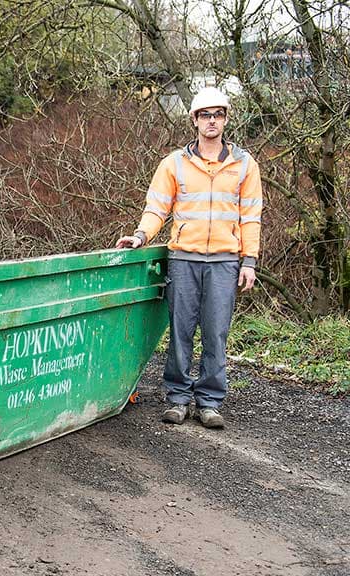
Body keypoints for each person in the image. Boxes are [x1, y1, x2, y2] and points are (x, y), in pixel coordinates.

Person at [116, 87, 263, 429]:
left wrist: (249, 260)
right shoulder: (175, 163)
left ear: (225, 120)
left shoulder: (243, 164)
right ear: (195, 120)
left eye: (218, 115)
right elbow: (157, 208)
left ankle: (210, 402)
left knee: (216, 333)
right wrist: (140, 236)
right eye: (205, 115)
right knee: (180, 331)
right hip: (184, 258)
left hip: (225, 261)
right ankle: (178, 398)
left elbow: (251, 216)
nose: (212, 121)